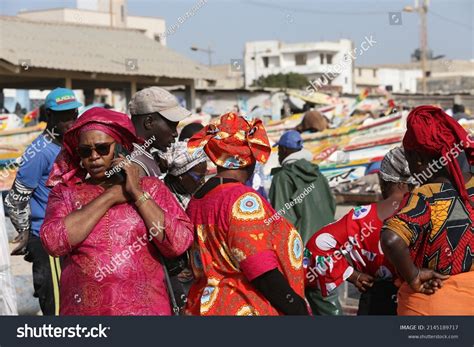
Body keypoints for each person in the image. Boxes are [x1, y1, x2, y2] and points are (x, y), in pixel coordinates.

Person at [39, 107, 194, 315]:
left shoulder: (151, 188)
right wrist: (110, 196)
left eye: (102, 148)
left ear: (120, 149)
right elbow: (54, 242)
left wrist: (137, 195)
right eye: (85, 151)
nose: (94, 157)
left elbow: (178, 243)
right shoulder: (65, 194)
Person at [185, 112, 309, 315]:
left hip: (203, 305)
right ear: (248, 157)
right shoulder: (242, 201)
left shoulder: (198, 199)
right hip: (242, 306)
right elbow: (261, 271)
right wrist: (297, 308)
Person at [381, 105, 474, 315]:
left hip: (432, 308)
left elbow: (391, 240)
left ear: (419, 159)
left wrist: (413, 276)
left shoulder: (427, 196)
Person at [305, 147, 414, 315]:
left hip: (376, 304)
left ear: (382, 181)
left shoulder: (361, 217)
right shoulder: (426, 210)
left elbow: (317, 245)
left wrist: (352, 275)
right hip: (416, 303)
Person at [5, 87, 81, 315]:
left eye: (73, 113)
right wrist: (29, 236)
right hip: (47, 242)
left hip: (72, 235)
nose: (71, 120)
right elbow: (14, 200)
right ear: (49, 116)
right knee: (57, 310)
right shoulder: (38, 152)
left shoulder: (72, 145)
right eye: (64, 115)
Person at [269, 130, 338, 315]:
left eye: (279, 151)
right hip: (327, 248)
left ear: (284, 150)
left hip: (301, 254)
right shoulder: (318, 174)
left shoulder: (282, 177)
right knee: (328, 302)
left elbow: (282, 219)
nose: (278, 154)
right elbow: (332, 206)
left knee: (294, 305)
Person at [129, 86, 191, 177]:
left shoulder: (143, 154)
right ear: (149, 122)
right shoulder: (134, 164)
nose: (175, 134)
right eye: (171, 125)